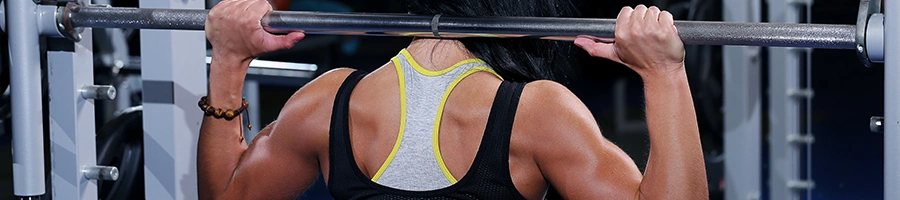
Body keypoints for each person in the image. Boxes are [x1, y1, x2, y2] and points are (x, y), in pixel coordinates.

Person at [198, 0, 709, 199]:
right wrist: (664, 72)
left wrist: (227, 59)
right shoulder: (537, 114)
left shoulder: (328, 102)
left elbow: (225, 197)